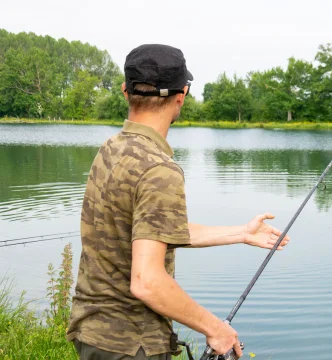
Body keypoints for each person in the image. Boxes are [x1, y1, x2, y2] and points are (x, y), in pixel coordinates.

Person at [66, 44, 290, 360]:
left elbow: (151, 232)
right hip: (132, 345)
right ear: (181, 96)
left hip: (94, 334)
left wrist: (240, 233)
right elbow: (146, 281)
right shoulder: (159, 169)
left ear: (125, 92)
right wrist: (215, 328)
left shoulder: (112, 148)